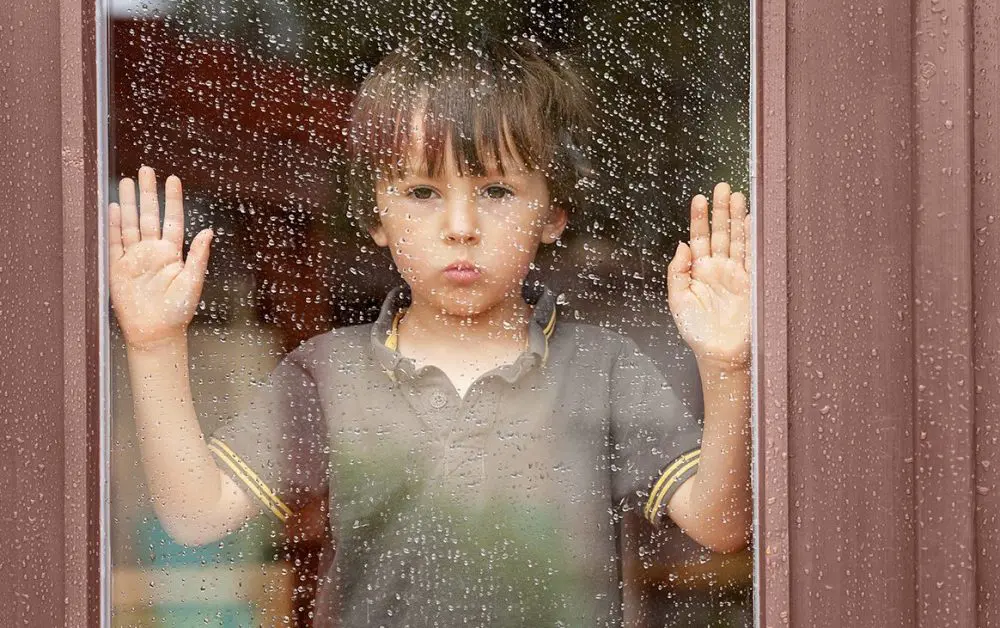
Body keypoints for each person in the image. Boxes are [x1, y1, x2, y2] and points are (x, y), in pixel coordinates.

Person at [109, 34, 752, 627]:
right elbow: (197, 516)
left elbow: (721, 526)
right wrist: (154, 343)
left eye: (496, 190)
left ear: (552, 213)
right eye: (421, 192)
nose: (461, 225)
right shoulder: (330, 374)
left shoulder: (603, 367)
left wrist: (727, 369)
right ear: (375, 216)